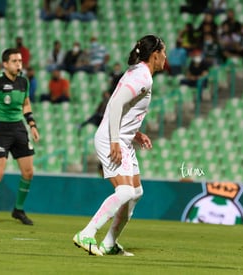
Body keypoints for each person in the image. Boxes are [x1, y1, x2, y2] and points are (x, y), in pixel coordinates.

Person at [73, 34, 166, 256]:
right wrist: (115, 141)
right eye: (163, 52)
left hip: (122, 138)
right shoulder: (142, 76)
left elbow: (125, 109)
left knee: (136, 192)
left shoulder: (139, 72)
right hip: (111, 139)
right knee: (125, 191)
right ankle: (87, 233)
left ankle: (109, 243)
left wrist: (135, 133)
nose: (165, 56)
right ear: (154, 55)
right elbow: (114, 105)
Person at [0, 48, 40, 225]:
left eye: (20, 61)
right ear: (5, 64)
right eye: (15, 61)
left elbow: (26, 104)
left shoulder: (24, 82)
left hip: (18, 128)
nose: (19, 64)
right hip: (0, 129)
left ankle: (18, 209)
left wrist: (32, 125)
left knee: (28, 172)